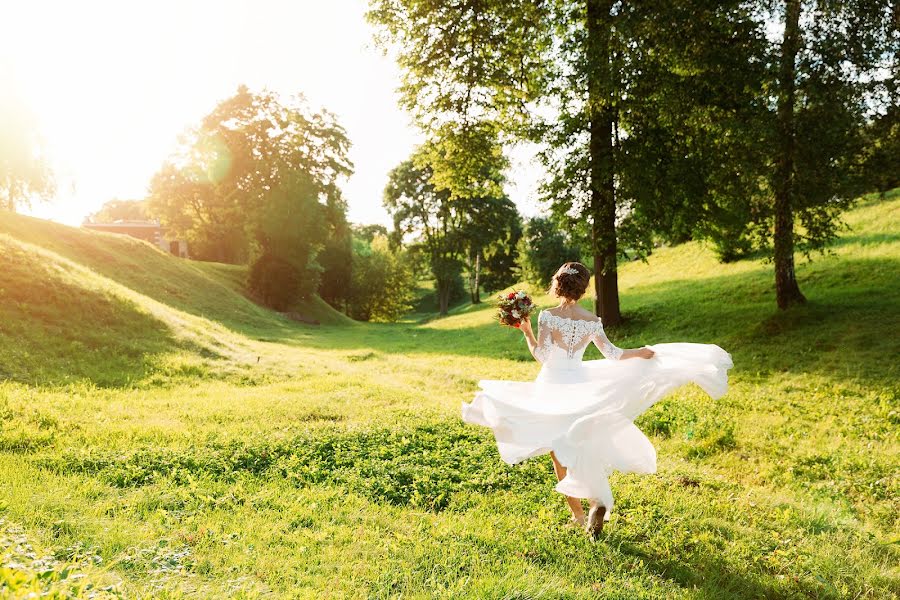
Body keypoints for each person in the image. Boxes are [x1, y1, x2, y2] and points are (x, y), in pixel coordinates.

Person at [461, 261, 733, 538]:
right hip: (580, 385)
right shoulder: (592, 321)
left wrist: (527, 332)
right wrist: (640, 352)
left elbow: (542, 356)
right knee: (582, 447)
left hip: (552, 386)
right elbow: (613, 354)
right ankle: (596, 501)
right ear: (583, 289)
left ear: (557, 285)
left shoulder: (548, 317)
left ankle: (579, 515)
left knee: (559, 454)